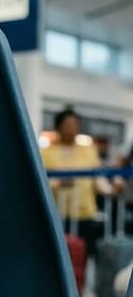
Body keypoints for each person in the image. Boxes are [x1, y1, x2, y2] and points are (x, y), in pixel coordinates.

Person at [41, 107, 124, 262]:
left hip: (84, 214)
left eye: (75, 124)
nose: (72, 128)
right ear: (58, 126)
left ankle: (81, 286)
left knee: (83, 258)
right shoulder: (45, 153)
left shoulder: (88, 150)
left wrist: (112, 190)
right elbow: (42, 180)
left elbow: (98, 180)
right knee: (57, 257)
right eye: (68, 124)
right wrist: (59, 183)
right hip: (57, 215)